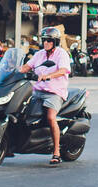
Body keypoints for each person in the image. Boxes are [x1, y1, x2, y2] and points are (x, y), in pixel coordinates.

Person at [20, 27, 72, 164]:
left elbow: (63, 70)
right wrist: (13, 70)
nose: (46, 43)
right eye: (44, 40)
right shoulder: (39, 54)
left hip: (54, 92)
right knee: (19, 111)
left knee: (50, 117)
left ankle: (56, 152)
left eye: (49, 40)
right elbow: (27, 66)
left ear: (55, 41)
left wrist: (48, 76)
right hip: (37, 91)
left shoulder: (62, 54)